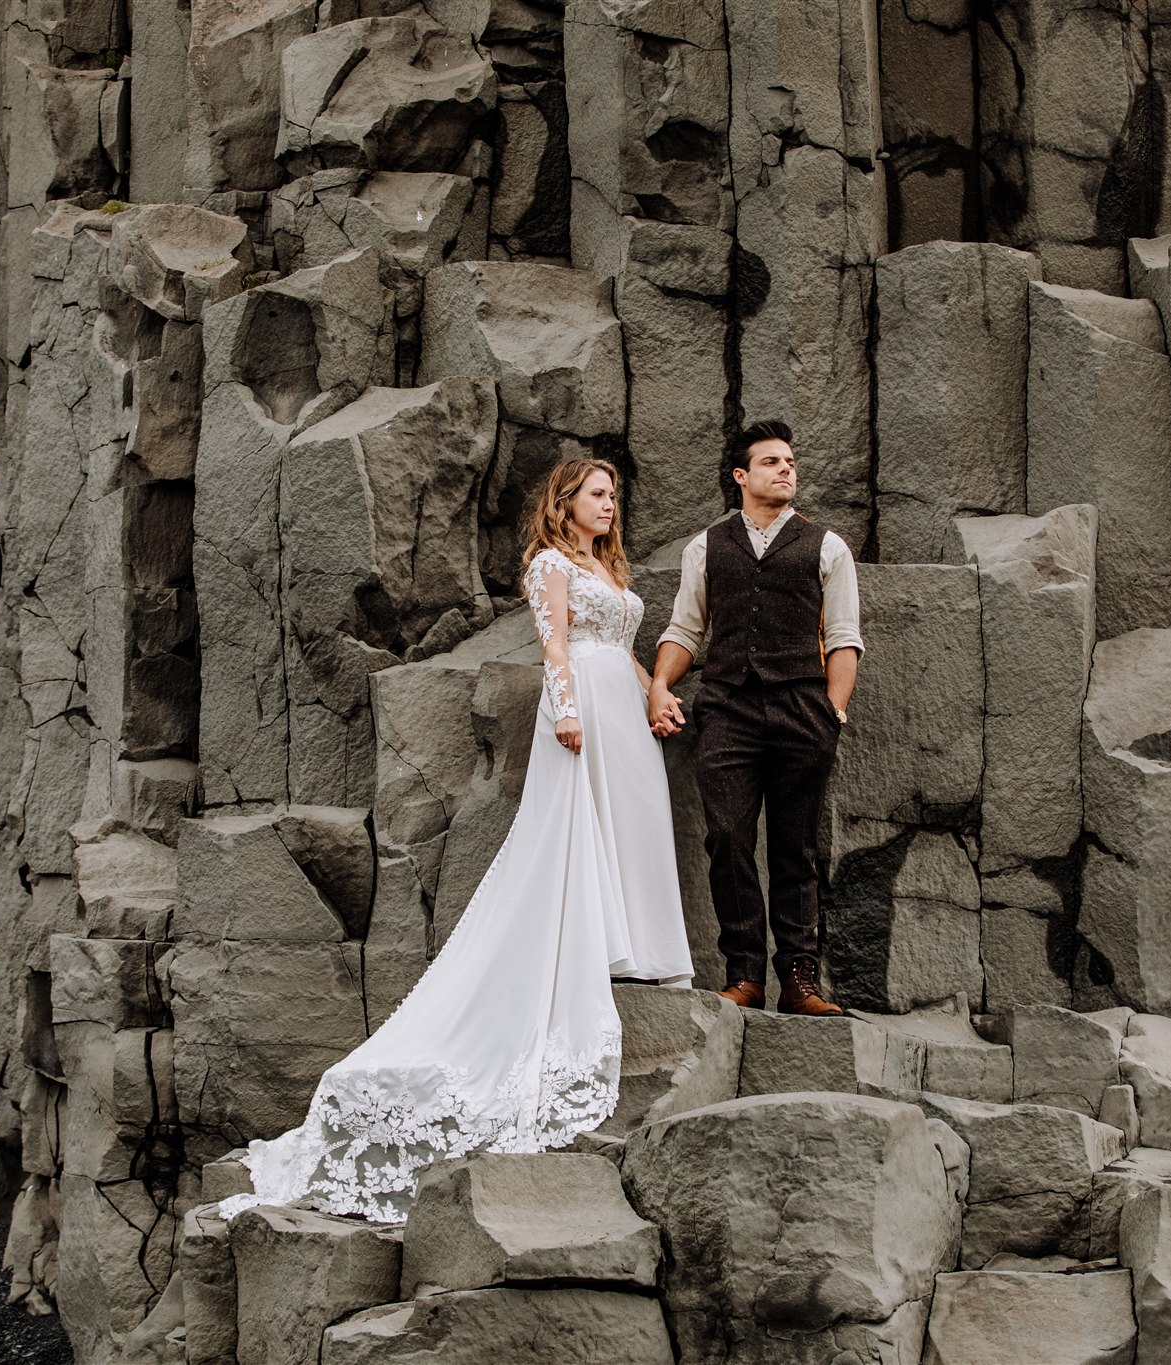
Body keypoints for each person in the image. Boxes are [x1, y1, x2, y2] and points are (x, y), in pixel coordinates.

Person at [219, 457, 692, 1224]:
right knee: (577, 830)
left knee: (632, 825)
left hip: (624, 708)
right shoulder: (548, 564)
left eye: (613, 496)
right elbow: (556, 649)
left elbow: (627, 652)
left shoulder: (606, 565)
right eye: (598, 495)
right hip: (581, 711)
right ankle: (580, 951)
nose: (611, 506)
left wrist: (656, 697)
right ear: (565, 501)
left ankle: (635, 946)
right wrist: (567, 710)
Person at [648, 421, 863, 1016]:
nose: (786, 470)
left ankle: (799, 980)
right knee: (728, 841)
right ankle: (744, 975)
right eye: (771, 462)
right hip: (727, 710)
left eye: (790, 461)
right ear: (742, 476)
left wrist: (833, 712)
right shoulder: (705, 547)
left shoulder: (827, 546)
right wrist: (660, 684)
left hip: (803, 710)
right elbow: (687, 629)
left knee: (796, 849)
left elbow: (845, 637)